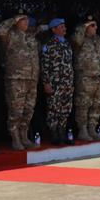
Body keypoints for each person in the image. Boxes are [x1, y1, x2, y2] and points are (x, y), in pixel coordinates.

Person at [0, 13, 39, 150]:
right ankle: (15, 138)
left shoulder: (31, 37)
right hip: (16, 79)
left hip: (31, 79)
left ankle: (24, 135)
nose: (26, 22)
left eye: (27, 20)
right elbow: (1, 29)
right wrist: (14, 18)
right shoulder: (11, 35)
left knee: (28, 109)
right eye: (23, 20)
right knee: (16, 110)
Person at [71, 14, 100, 141]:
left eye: (96, 25)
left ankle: (92, 128)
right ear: (86, 27)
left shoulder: (97, 39)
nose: (96, 28)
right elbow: (76, 40)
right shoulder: (80, 38)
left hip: (98, 77)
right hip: (85, 77)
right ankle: (82, 130)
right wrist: (83, 27)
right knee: (83, 104)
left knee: (97, 104)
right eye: (93, 26)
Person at [41, 17, 74, 146]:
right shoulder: (49, 45)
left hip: (67, 82)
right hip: (55, 83)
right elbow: (45, 65)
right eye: (61, 27)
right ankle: (54, 134)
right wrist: (46, 83)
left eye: (64, 26)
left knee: (65, 109)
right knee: (54, 109)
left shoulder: (66, 43)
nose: (64, 29)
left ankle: (62, 132)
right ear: (53, 29)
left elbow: (70, 64)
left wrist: (71, 82)